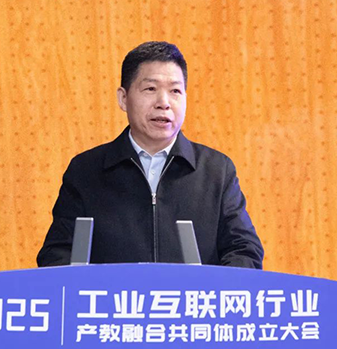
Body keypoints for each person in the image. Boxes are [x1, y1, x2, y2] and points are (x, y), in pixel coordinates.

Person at [37, 41, 264, 268]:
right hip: (115, 292)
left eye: (175, 91)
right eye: (150, 89)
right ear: (123, 98)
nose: (164, 103)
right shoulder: (86, 171)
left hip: (193, 293)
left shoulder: (216, 170)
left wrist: (212, 286)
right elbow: (57, 254)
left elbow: (244, 250)